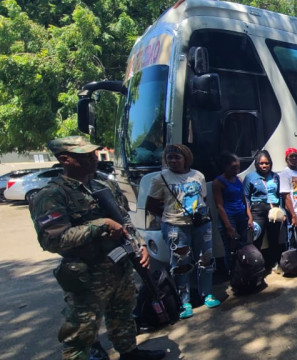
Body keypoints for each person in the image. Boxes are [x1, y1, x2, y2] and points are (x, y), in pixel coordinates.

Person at [31, 136, 165, 360]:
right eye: (85, 156)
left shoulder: (103, 184)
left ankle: (130, 354)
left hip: (119, 266)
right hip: (86, 275)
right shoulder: (52, 195)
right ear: (66, 160)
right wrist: (98, 225)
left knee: (122, 315)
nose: (94, 159)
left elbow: (124, 219)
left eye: (93, 154)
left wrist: (139, 245)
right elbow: (52, 240)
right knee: (82, 331)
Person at [146, 144, 220, 320]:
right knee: (181, 263)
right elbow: (151, 205)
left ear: (186, 158)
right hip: (175, 226)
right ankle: (184, 301)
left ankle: (207, 294)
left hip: (200, 224)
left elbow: (203, 199)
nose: (173, 161)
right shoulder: (160, 179)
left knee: (206, 258)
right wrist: (171, 215)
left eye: (177, 157)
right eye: (169, 157)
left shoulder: (198, 175)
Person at [212, 152, 253, 275]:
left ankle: (244, 272)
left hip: (241, 216)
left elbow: (243, 199)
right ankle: (233, 274)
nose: (236, 170)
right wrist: (229, 227)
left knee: (244, 246)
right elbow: (219, 206)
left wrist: (249, 217)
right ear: (225, 167)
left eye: (238, 167)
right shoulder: (218, 183)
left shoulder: (238, 179)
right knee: (230, 248)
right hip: (229, 218)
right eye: (233, 168)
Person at [243, 150, 284, 272]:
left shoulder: (276, 176)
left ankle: (274, 263)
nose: (264, 166)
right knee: (257, 239)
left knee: (274, 238)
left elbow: (280, 195)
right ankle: (257, 265)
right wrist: (249, 216)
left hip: (274, 211)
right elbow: (246, 197)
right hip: (257, 211)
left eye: (267, 163)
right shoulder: (250, 177)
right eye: (261, 163)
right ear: (257, 164)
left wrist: (282, 212)